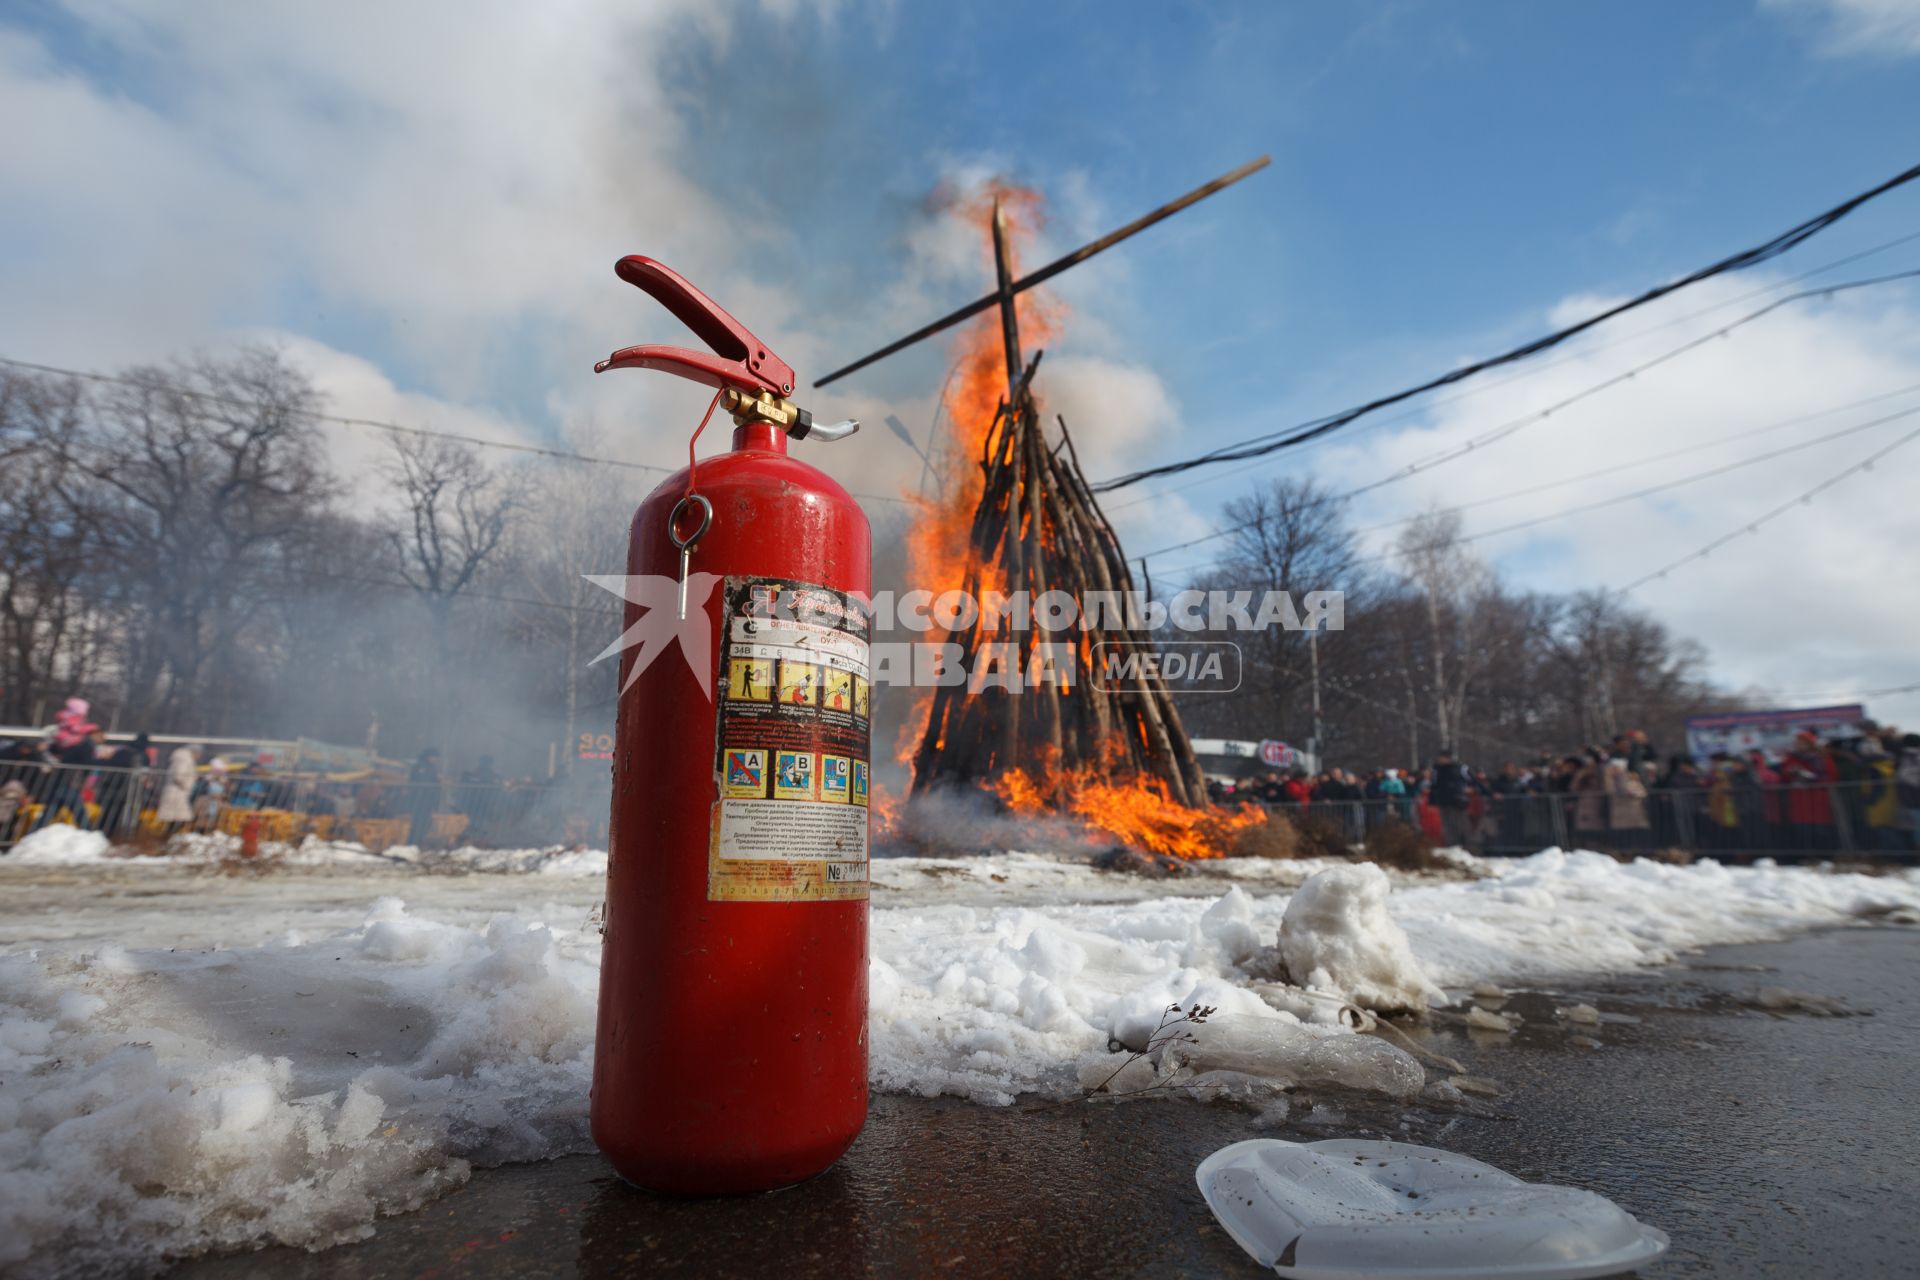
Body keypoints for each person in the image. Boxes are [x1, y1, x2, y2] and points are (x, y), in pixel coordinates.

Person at [95, 732, 150, 838]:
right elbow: (143, 772)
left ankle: (103, 832)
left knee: (109, 811)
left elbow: (109, 764)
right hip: (128, 788)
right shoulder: (141, 755)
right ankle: (121, 835)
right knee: (125, 811)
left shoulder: (123, 750)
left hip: (112, 785)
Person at [1428, 749, 1473, 848]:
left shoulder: (1459, 768)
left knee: (1460, 824)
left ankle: (1465, 845)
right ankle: (1452, 845)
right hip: (1443, 800)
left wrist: (1469, 789)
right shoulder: (1437, 770)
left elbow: (1471, 780)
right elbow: (1434, 786)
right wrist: (1431, 802)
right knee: (1447, 825)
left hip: (1457, 801)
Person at [156, 744, 199, 838]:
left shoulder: (181, 758)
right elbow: (178, 775)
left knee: (175, 819)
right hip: (177, 792)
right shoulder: (185, 760)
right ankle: (170, 838)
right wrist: (186, 785)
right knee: (181, 818)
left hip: (176, 792)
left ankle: (169, 837)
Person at [408, 748, 443, 848]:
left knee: (425, 823)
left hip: (427, 800)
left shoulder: (433, 768)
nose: (435, 759)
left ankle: (417, 842)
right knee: (417, 823)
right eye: (434, 757)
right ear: (428, 757)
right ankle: (412, 843)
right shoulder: (419, 767)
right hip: (419, 800)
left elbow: (436, 787)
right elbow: (417, 781)